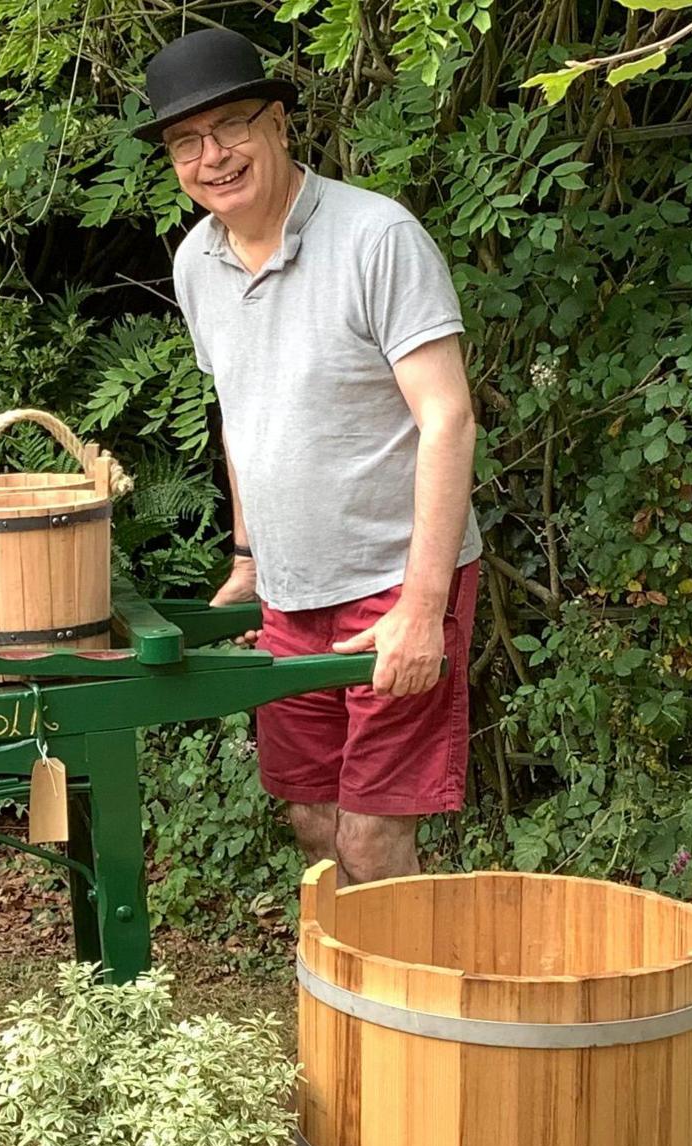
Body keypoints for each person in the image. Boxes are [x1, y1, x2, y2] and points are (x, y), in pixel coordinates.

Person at [140, 27, 482, 883]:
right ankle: (352, 1011)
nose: (212, 157)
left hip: (394, 586)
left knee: (371, 838)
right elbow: (239, 411)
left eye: (231, 128)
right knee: (313, 819)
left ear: (281, 125)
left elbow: (448, 419)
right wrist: (249, 557)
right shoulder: (194, 262)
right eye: (187, 142)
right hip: (290, 595)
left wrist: (421, 605)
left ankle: (399, 1019)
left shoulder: (377, 237)